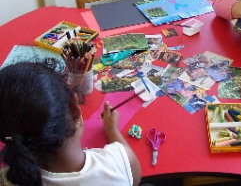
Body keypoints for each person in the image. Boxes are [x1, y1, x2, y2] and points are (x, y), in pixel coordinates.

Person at [0, 62, 141, 186]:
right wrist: (112, 130)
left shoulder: (7, 180)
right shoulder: (119, 164)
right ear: (74, 107)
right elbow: (134, 178)